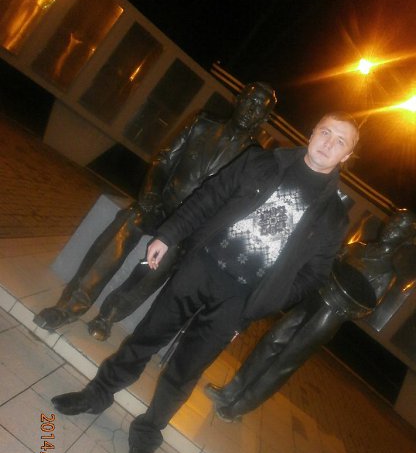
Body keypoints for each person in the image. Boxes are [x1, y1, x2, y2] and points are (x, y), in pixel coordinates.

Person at [51, 111, 359, 453]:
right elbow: (208, 197)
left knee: (186, 371)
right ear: (312, 132)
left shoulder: (333, 218)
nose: (327, 143)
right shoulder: (261, 162)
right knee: (146, 337)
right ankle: (98, 393)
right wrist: (169, 235)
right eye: (324, 131)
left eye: (339, 141)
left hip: (240, 299)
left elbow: (314, 275)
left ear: (346, 156)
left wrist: (263, 303)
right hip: (202, 266)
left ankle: (147, 433)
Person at [34, 82, 277, 338]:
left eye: (259, 109)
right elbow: (164, 160)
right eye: (249, 101)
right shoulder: (202, 123)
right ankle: (70, 306)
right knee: (129, 221)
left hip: (190, 227)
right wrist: (150, 194)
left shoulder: (254, 159)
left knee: (165, 260)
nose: (251, 110)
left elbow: (233, 205)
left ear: (264, 119)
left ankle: (109, 316)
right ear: (238, 100)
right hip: (161, 204)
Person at [204, 208, 416, 422]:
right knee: (272, 340)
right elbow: (330, 264)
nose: (392, 228)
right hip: (314, 299)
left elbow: (367, 307)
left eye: (399, 228)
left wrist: (343, 301)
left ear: (406, 239)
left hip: (331, 314)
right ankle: (230, 392)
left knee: (284, 361)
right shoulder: (359, 247)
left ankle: (240, 406)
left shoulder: (387, 272)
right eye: (393, 222)